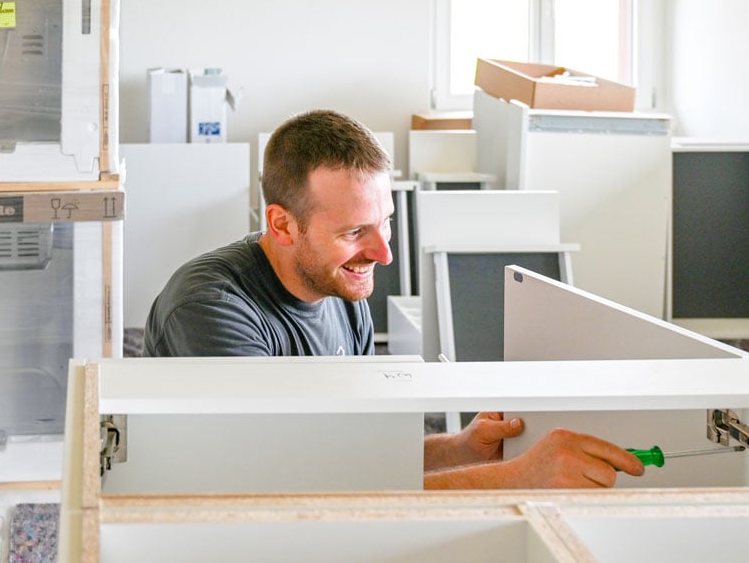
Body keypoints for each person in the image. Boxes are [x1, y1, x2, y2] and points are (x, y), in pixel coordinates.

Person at [144, 109, 644, 489]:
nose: (383, 254)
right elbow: (285, 486)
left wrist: (461, 450)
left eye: (384, 223)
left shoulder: (342, 290)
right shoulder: (211, 309)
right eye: (355, 231)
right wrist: (515, 479)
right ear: (282, 225)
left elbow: (348, 452)